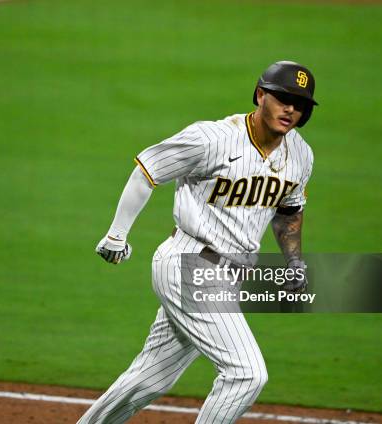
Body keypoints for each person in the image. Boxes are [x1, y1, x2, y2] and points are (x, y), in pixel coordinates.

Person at [78, 60, 318, 424]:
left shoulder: (300, 156)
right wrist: (117, 233)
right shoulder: (214, 139)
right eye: (282, 98)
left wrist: (294, 260)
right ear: (259, 95)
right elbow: (148, 169)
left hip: (227, 278)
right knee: (247, 373)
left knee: (149, 379)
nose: (290, 109)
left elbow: (289, 210)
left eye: (299, 104)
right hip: (189, 264)